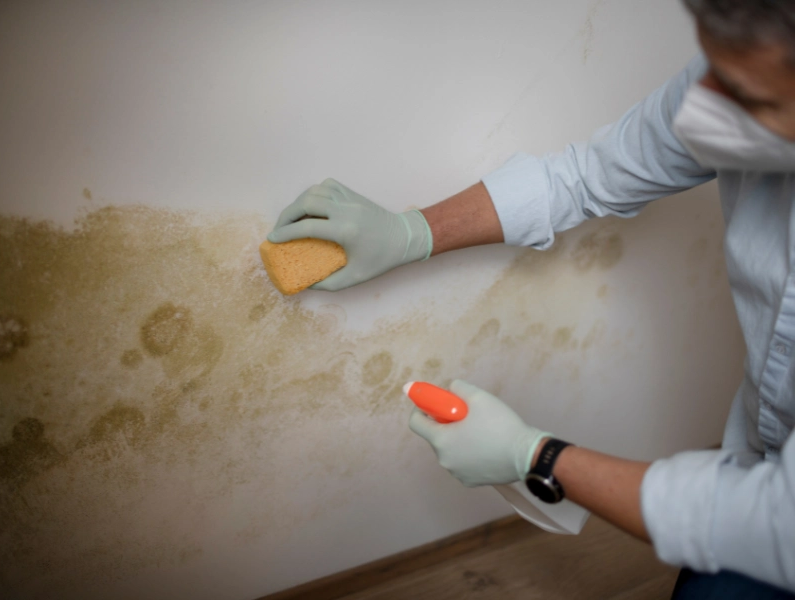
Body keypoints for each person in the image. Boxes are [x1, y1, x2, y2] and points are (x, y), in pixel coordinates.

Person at [267, 1, 795, 597]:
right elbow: (589, 174)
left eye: (747, 93)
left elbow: (776, 525)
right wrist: (410, 233)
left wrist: (535, 458)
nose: (701, 102)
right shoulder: (747, 67)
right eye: (709, 64)